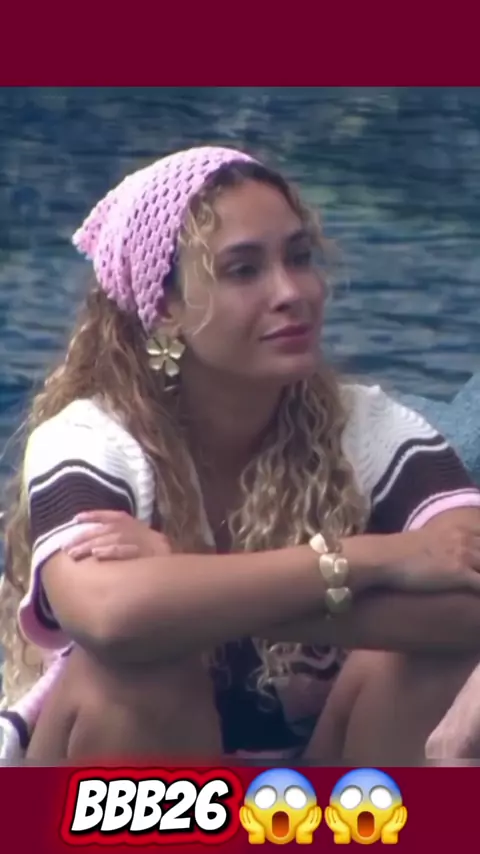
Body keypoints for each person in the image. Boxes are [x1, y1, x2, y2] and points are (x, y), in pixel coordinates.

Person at [1, 145, 480, 764]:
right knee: (138, 675)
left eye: (299, 258)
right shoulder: (93, 439)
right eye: (243, 270)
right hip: (132, 796)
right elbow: (111, 616)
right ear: (164, 309)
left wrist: (196, 586)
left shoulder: (367, 429)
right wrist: (379, 559)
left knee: (427, 660)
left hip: (328, 795)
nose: (292, 292)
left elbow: (469, 595)